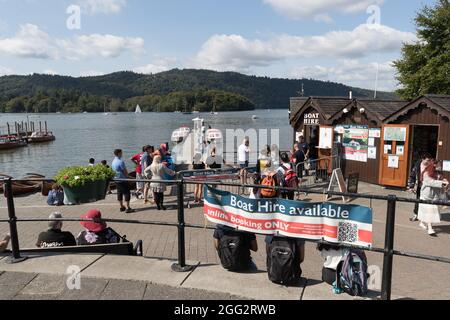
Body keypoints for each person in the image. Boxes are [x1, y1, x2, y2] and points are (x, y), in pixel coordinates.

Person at [418, 158, 449, 236]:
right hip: (427, 195)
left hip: (435, 195)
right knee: (429, 211)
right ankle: (430, 228)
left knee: (426, 211)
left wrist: (444, 180)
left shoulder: (438, 172)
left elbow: (441, 179)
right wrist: (442, 183)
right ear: (432, 165)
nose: (439, 166)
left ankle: (422, 222)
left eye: (439, 165)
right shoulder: (426, 172)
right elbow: (429, 182)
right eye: (437, 165)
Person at [407, 152, 432, 221]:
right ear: (422, 159)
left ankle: (426, 217)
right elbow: (412, 175)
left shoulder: (431, 166)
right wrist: (411, 186)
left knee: (427, 202)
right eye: (427, 160)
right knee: (417, 201)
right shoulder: (417, 165)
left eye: (429, 160)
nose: (428, 162)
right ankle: (416, 215)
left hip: (428, 187)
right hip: (419, 186)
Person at [111, 149, 134, 214]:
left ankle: (121, 206)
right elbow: (125, 173)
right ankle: (128, 207)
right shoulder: (121, 161)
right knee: (126, 193)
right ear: (118, 153)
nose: (122, 154)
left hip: (116, 180)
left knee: (119, 193)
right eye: (121, 153)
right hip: (122, 179)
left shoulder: (113, 161)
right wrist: (131, 178)